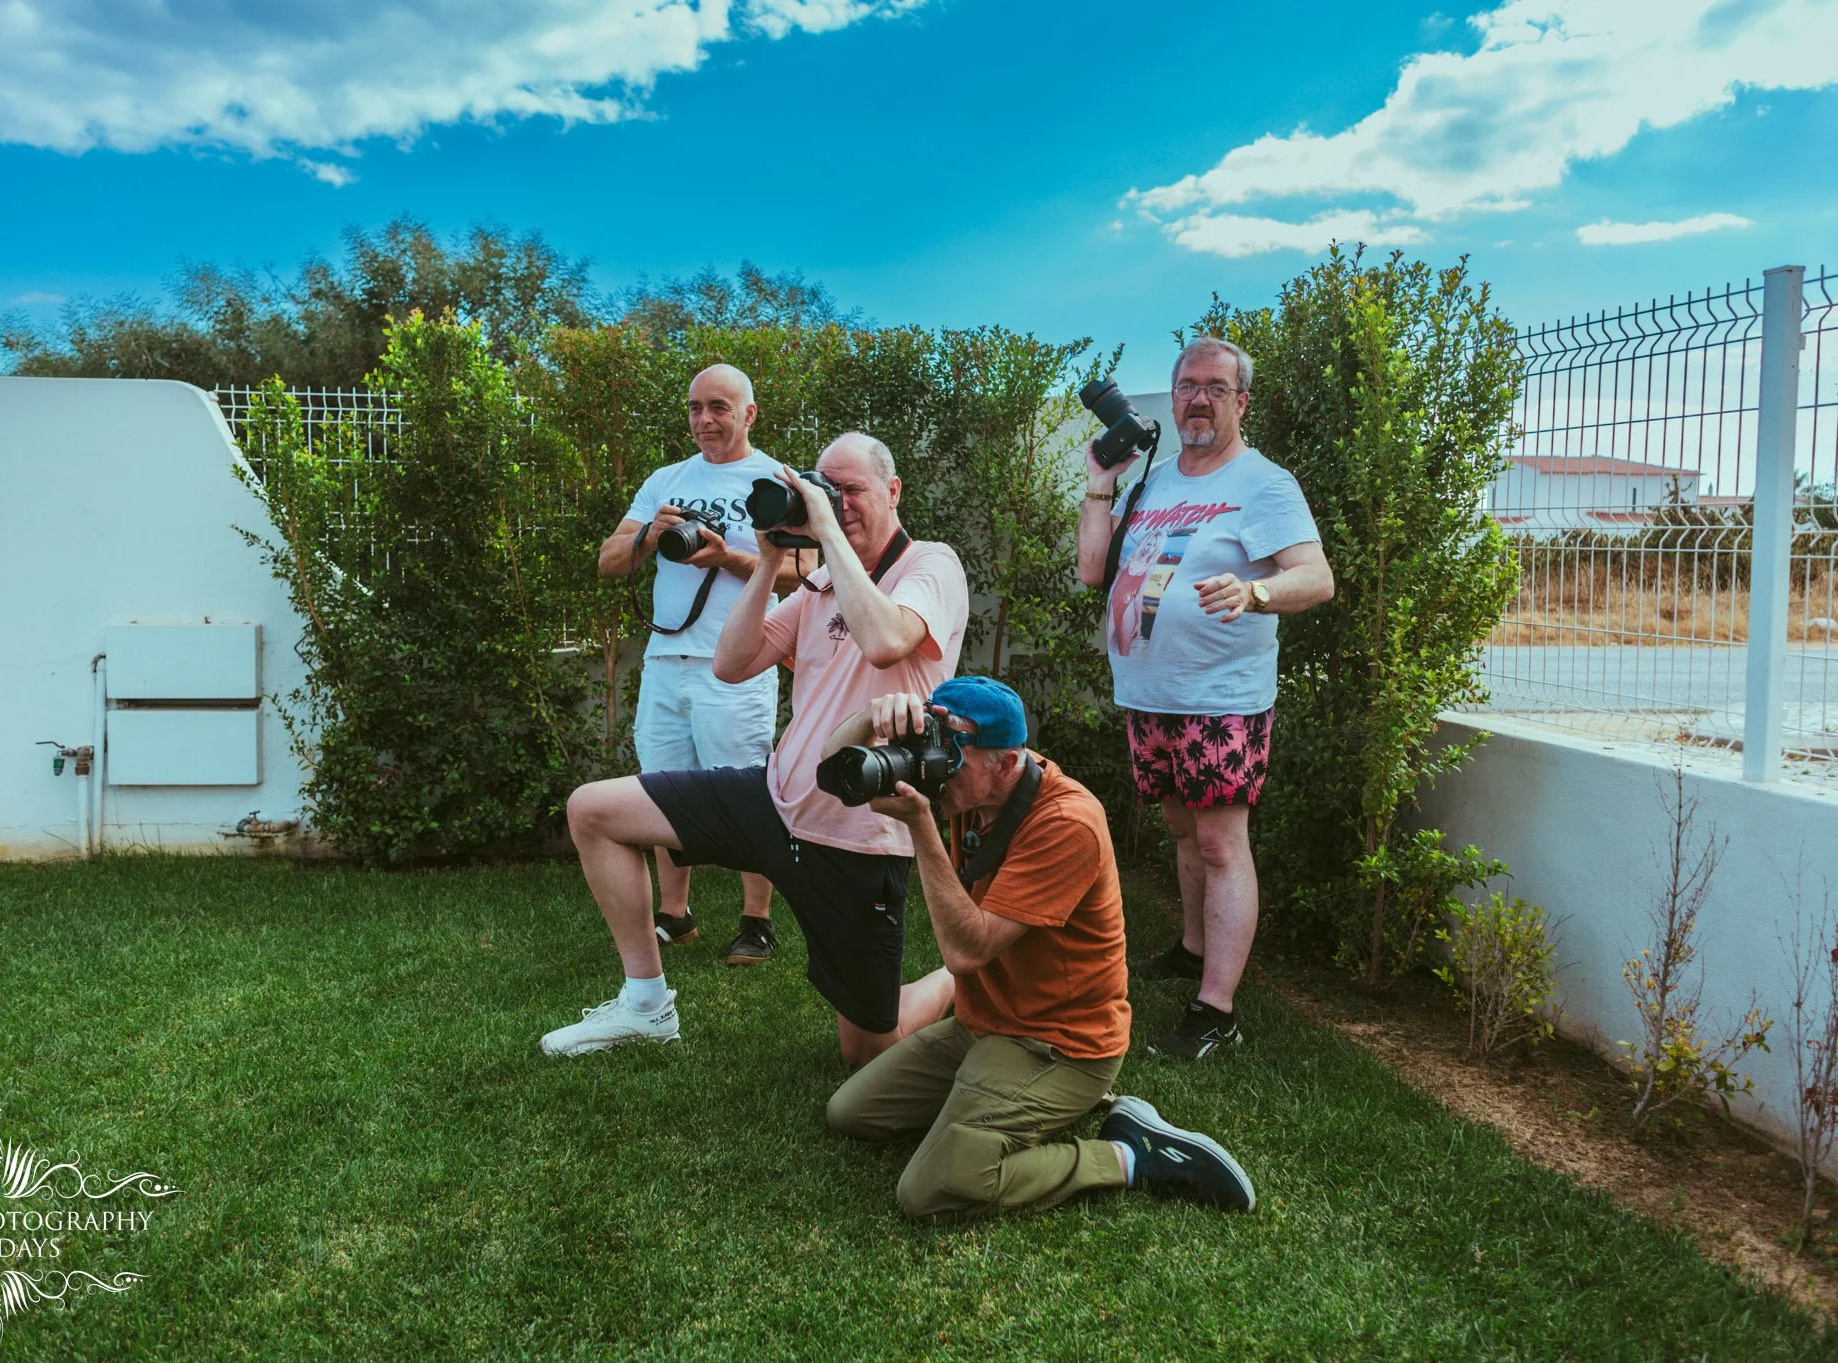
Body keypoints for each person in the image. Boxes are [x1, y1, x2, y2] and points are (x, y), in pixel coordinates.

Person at [543, 431, 970, 1064]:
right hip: (774, 799)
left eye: (851, 489)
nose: (839, 502)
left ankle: (964, 980)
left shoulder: (931, 564)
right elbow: (732, 662)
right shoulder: (822, 582)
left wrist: (823, 526)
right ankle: (645, 1004)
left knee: (867, 1052)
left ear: (893, 490)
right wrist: (768, 559)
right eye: (826, 490)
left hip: (855, 831)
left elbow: (884, 640)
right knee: (593, 810)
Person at [822, 677, 1256, 1221]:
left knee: (931, 1188)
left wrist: (920, 828)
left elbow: (966, 952)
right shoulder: (969, 784)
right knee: (849, 1113)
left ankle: (1127, 1155)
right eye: (934, 750)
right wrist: (871, 712)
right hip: (981, 1026)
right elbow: (829, 761)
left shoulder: (1066, 822)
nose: (936, 769)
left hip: (1061, 1045)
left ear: (1007, 764)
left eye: (953, 757)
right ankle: (1035, 1105)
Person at [1075, 338, 1335, 1061]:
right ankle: (1193, 948)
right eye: (1187, 385)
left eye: (1216, 388)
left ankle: (1216, 1008)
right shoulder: (1151, 482)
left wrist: (1255, 592)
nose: (1197, 399)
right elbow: (1093, 567)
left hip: (1221, 698)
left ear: (1241, 401)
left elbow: (1316, 577)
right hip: (1150, 691)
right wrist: (1102, 479)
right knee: (1184, 829)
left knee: (1221, 841)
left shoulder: (1264, 483)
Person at [596, 364, 809, 965]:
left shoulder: (776, 481)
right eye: (694, 408)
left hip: (738, 664)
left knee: (746, 791)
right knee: (662, 791)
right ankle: (676, 913)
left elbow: (810, 572)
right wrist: (647, 537)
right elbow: (609, 562)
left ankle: (757, 919)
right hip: (665, 662)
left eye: (719, 406)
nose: (704, 420)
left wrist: (731, 558)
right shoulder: (665, 479)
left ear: (749, 414)